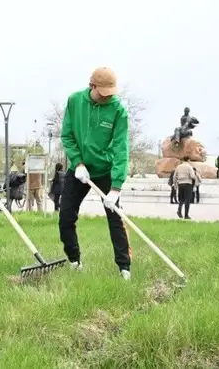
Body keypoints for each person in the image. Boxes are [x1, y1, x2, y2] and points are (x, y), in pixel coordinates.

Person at [59, 67, 132, 280]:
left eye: (111, 93)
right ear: (92, 86)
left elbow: (121, 148)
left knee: (116, 218)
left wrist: (116, 187)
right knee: (66, 217)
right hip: (79, 171)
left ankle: (124, 268)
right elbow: (67, 135)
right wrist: (78, 163)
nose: (108, 97)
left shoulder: (118, 110)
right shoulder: (75, 101)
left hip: (105, 171)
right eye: (103, 93)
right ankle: (74, 261)